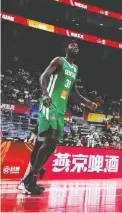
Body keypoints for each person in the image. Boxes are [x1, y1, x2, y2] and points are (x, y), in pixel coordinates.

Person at [22, 41, 97, 195]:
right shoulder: (59, 61)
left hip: (61, 110)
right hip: (49, 104)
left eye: (77, 46)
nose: (75, 47)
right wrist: (45, 94)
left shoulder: (75, 69)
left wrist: (87, 102)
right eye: (72, 45)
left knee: (52, 145)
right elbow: (43, 77)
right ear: (66, 49)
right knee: (48, 140)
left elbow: (74, 92)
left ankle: (32, 177)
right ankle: (29, 179)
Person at [18, 124, 46, 192]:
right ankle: (23, 182)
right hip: (39, 145)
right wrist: (31, 139)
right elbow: (35, 132)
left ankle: (32, 183)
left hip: (45, 146)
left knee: (38, 165)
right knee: (32, 163)